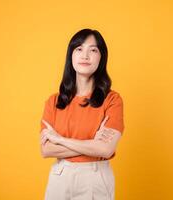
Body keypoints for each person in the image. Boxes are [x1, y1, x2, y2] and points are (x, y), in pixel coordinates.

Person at [40, 28, 125, 200]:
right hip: (60, 176)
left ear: (101, 58)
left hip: (95, 178)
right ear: (71, 56)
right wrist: (92, 144)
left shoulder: (112, 100)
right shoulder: (54, 102)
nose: (85, 55)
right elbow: (46, 150)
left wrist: (60, 140)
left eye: (93, 50)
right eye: (79, 49)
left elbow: (106, 149)